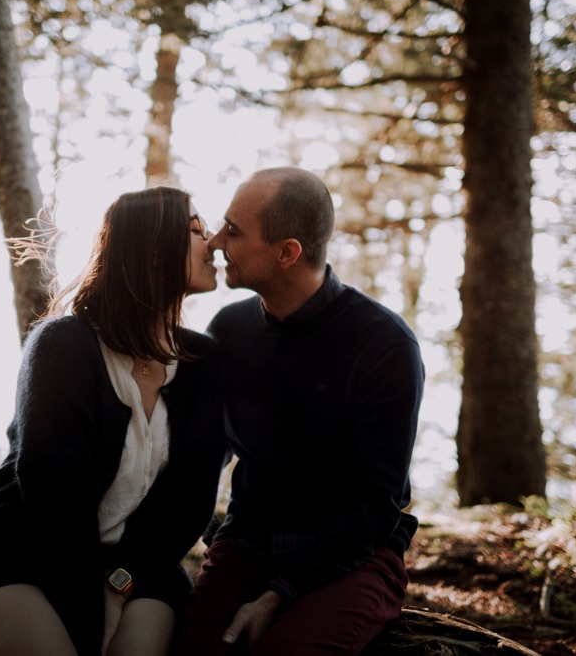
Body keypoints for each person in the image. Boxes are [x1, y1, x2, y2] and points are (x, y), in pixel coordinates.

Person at [0, 186, 226, 656]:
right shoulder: (63, 345)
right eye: (196, 229)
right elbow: (53, 496)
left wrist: (117, 585)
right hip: (20, 559)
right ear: (151, 248)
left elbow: (186, 508)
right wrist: (90, 614)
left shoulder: (205, 364)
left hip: (139, 570)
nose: (212, 241)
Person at [172, 167, 424, 655]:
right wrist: (213, 538)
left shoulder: (385, 345)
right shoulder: (229, 329)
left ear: (287, 252)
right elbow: (203, 458)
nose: (217, 241)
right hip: (249, 543)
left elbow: (373, 505)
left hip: (357, 555)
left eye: (234, 231)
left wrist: (278, 595)